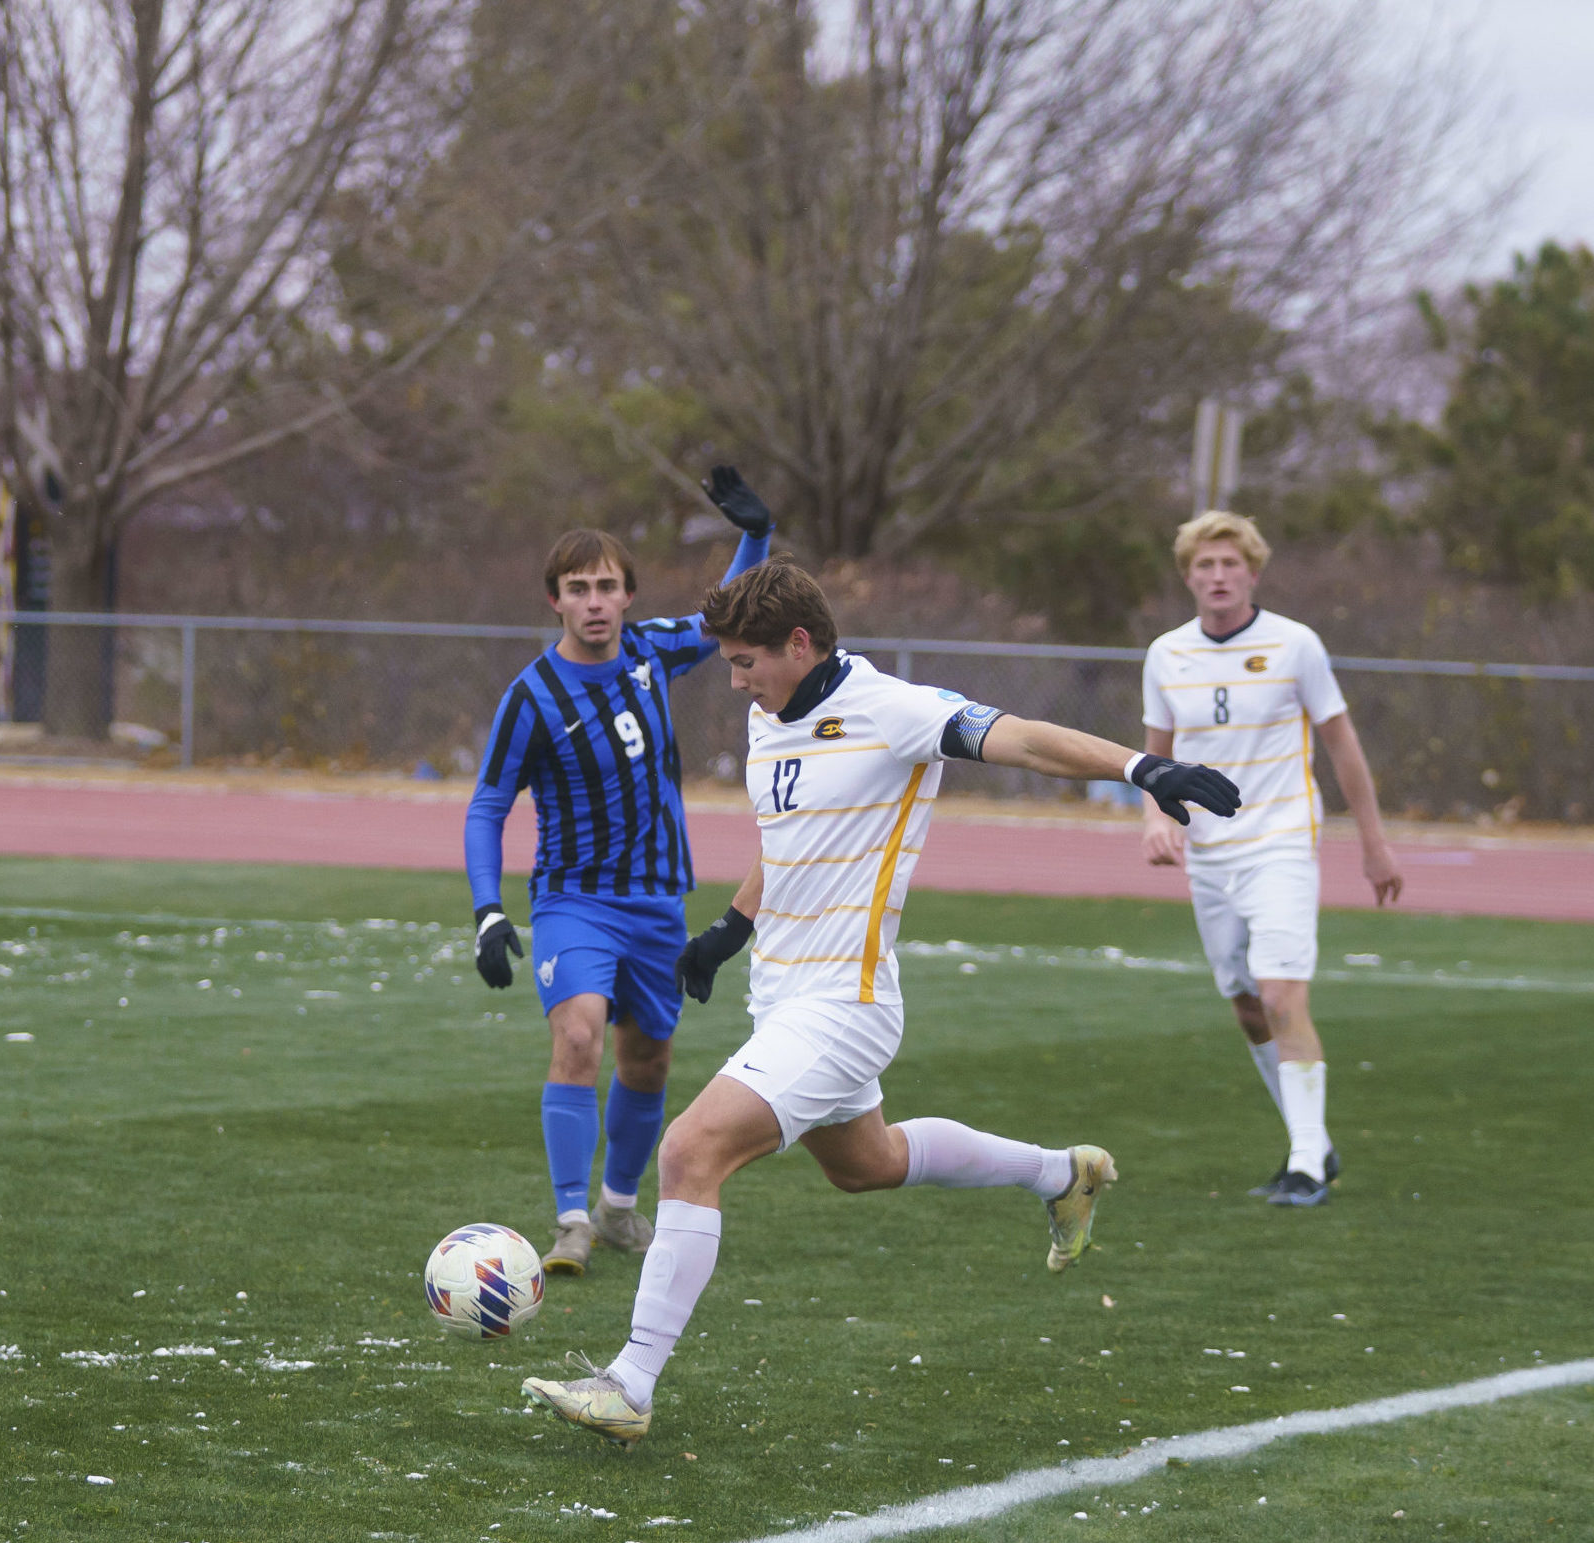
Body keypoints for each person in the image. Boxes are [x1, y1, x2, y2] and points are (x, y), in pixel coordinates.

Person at [522, 561, 1242, 1443]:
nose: (736, 679)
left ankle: (629, 1381)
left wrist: (1142, 767)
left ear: (799, 642)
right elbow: (790, 837)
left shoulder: (893, 709)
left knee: (689, 1151)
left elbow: (1022, 737)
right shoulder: (768, 718)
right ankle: (1063, 1173)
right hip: (785, 996)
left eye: (747, 661)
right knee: (864, 1162)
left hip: (843, 1004)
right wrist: (729, 929)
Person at [462, 468, 773, 1276]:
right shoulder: (530, 697)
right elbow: (488, 805)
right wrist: (488, 911)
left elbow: (728, 615)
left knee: (650, 1060)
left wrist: (757, 535)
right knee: (577, 1034)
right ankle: (570, 1220)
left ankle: (619, 1208)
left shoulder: (648, 651)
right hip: (572, 901)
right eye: (578, 587)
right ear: (555, 602)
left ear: (627, 596)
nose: (595, 600)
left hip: (657, 905)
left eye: (607, 585)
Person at [1137, 510, 1403, 1206]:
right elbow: (1152, 755)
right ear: (1188, 576)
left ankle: (1305, 1167)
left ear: (1252, 573)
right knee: (1248, 1006)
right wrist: (1152, 819)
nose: (1218, 576)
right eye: (1204, 566)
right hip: (1208, 854)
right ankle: (1311, 1140)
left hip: (1281, 842)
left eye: (1230, 564)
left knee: (1282, 991)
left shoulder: (1295, 645)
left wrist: (1372, 843)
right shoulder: (1166, 653)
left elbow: (1342, 745)